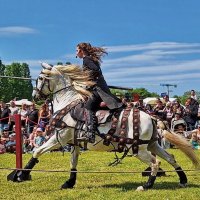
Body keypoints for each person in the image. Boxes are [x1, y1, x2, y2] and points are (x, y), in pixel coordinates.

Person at [76, 42, 124, 143]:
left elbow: (95, 69)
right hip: (97, 88)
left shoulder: (86, 59)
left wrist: (87, 78)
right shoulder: (89, 59)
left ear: (81, 50)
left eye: (77, 51)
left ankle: (90, 134)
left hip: (97, 90)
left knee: (87, 108)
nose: (76, 54)